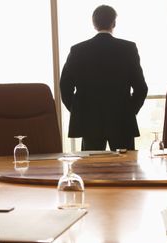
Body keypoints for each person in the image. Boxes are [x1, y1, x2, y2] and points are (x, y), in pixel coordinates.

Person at [60, 5, 148, 151]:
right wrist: (129, 111)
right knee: (124, 169)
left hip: (90, 122)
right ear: (114, 23)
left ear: (94, 24)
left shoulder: (78, 50)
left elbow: (65, 86)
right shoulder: (128, 48)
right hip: (121, 120)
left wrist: (80, 110)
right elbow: (141, 88)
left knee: (92, 170)